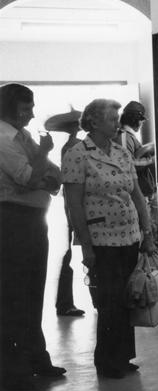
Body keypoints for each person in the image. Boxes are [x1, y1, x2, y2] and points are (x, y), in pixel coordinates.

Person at [62, 99, 155, 379]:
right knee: (109, 301)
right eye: (112, 118)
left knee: (127, 298)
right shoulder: (78, 154)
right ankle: (106, 360)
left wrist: (147, 232)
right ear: (93, 122)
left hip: (128, 235)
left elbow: (137, 194)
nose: (118, 122)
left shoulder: (120, 152)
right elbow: (74, 203)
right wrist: (86, 245)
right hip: (102, 238)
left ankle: (124, 355)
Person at [0, 83, 66, 390]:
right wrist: (42, 155)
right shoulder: (2, 138)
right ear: (10, 108)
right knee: (15, 295)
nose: (32, 114)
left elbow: (55, 177)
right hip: (12, 221)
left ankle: (35, 358)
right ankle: (15, 369)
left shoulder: (23, 136)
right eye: (26, 108)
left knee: (34, 291)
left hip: (32, 219)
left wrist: (42, 169)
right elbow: (27, 178)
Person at [44, 109, 86, 317]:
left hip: (68, 205)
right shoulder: (76, 146)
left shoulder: (68, 146)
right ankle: (65, 302)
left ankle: (65, 302)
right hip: (73, 206)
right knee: (70, 255)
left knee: (67, 256)